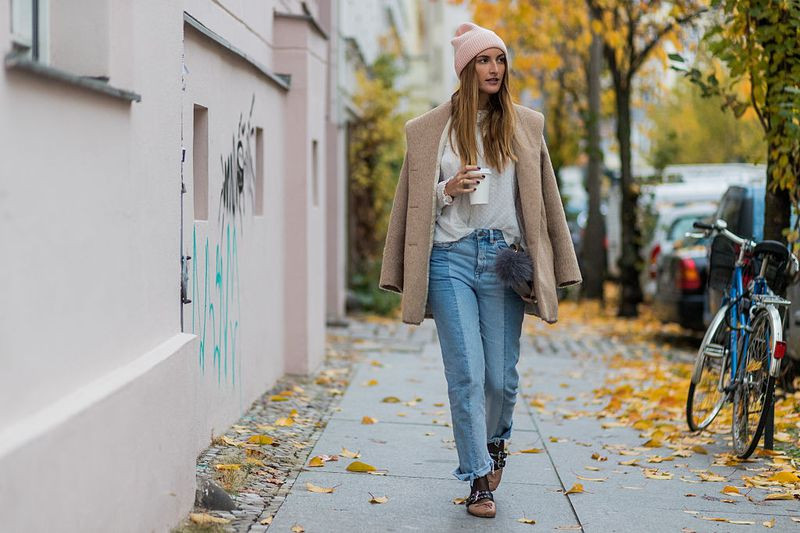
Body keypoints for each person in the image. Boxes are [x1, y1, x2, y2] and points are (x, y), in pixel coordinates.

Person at [378, 21, 582, 519]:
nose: (494, 69)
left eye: (500, 59)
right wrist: (447, 189)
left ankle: (495, 446)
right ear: (465, 69)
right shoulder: (430, 131)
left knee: (500, 380)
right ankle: (477, 480)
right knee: (467, 373)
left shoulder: (526, 126)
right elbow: (409, 205)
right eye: (484, 60)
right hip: (450, 259)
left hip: (503, 259)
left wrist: (556, 261)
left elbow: (546, 200)